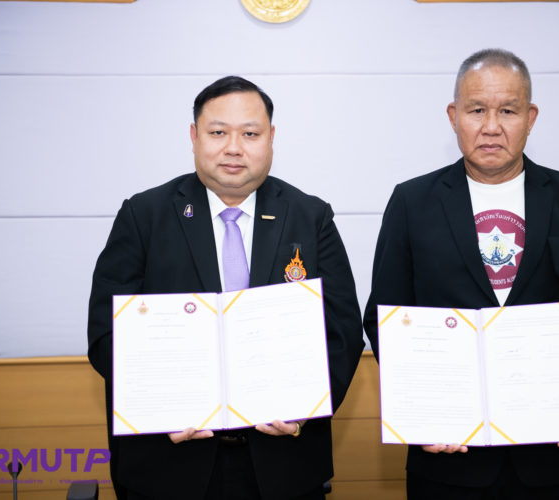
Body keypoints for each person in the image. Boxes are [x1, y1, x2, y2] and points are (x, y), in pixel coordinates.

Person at [363, 49, 559, 499]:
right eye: (476, 110)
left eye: (507, 110)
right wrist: (419, 411)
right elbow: (383, 317)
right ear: (453, 117)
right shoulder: (412, 202)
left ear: (530, 117)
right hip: (449, 456)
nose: (491, 126)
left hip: (553, 452)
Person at [88, 76, 365, 500]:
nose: (234, 147)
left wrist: (305, 408)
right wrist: (159, 406)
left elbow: (341, 333)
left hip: (282, 465)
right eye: (218, 132)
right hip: (168, 464)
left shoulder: (311, 217)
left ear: (271, 138)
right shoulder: (144, 216)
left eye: (250, 134)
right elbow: (106, 331)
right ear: (194, 136)